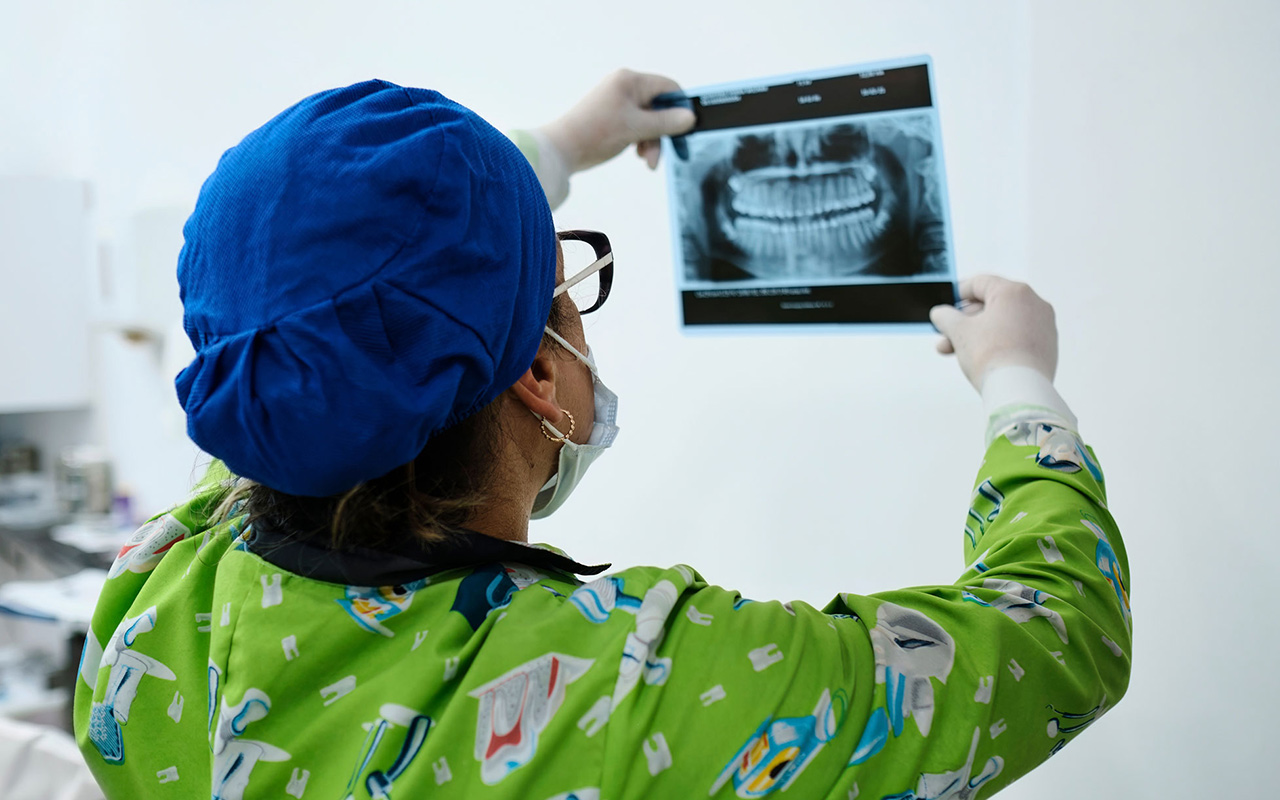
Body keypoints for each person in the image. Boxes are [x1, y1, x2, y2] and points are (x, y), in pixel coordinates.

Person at [73, 70, 1131, 799]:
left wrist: (559, 147)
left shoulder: (153, 596)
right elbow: (1056, 634)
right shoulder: (641, 689)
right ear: (538, 374)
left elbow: (321, 320)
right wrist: (1019, 381)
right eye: (571, 288)